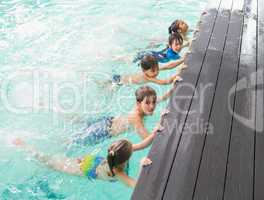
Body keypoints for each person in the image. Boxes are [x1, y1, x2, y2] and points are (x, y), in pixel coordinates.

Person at [13, 132, 157, 188]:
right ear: (127, 158)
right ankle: (26, 148)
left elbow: (144, 144)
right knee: (49, 162)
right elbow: (137, 186)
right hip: (84, 168)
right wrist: (141, 165)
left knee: (58, 159)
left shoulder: (118, 155)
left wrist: (156, 130)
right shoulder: (118, 173)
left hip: (93, 161)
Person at [71, 85, 172, 145]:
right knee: (73, 141)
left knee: (78, 122)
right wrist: (160, 123)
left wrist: (173, 90)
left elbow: (160, 99)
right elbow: (147, 139)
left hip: (108, 120)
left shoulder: (143, 107)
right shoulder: (136, 118)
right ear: (138, 103)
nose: (152, 106)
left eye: (153, 102)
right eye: (148, 103)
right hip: (103, 131)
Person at [111, 54, 184, 85]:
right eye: (153, 71)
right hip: (120, 82)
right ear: (144, 71)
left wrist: (182, 60)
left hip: (122, 78)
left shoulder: (152, 68)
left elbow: (168, 66)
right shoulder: (147, 77)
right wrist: (178, 74)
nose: (156, 72)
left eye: (157, 69)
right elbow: (164, 82)